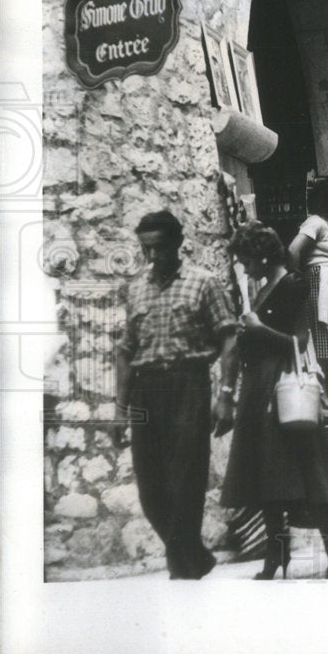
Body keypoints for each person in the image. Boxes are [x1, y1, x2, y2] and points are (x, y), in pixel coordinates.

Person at [221, 221, 328, 579]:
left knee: (300, 468)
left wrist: (258, 329)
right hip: (258, 387)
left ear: (263, 257)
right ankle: (278, 552)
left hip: (282, 386)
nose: (245, 268)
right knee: (269, 471)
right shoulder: (263, 288)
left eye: (248, 261)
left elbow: (300, 341)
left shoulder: (292, 285)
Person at [114, 210, 238, 579]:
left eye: (160, 247)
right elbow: (125, 351)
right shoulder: (135, 288)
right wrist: (120, 409)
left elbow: (229, 339)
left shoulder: (204, 283)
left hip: (188, 386)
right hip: (145, 390)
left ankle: (183, 570)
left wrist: (226, 396)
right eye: (146, 248)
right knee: (150, 490)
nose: (153, 255)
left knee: (186, 479)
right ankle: (193, 556)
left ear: (178, 243)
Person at [287, 181, 328, 406]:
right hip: (320, 288)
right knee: (326, 350)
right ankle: (326, 403)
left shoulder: (326, 225)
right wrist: (296, 281)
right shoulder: (314, 222)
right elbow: (293, 250)